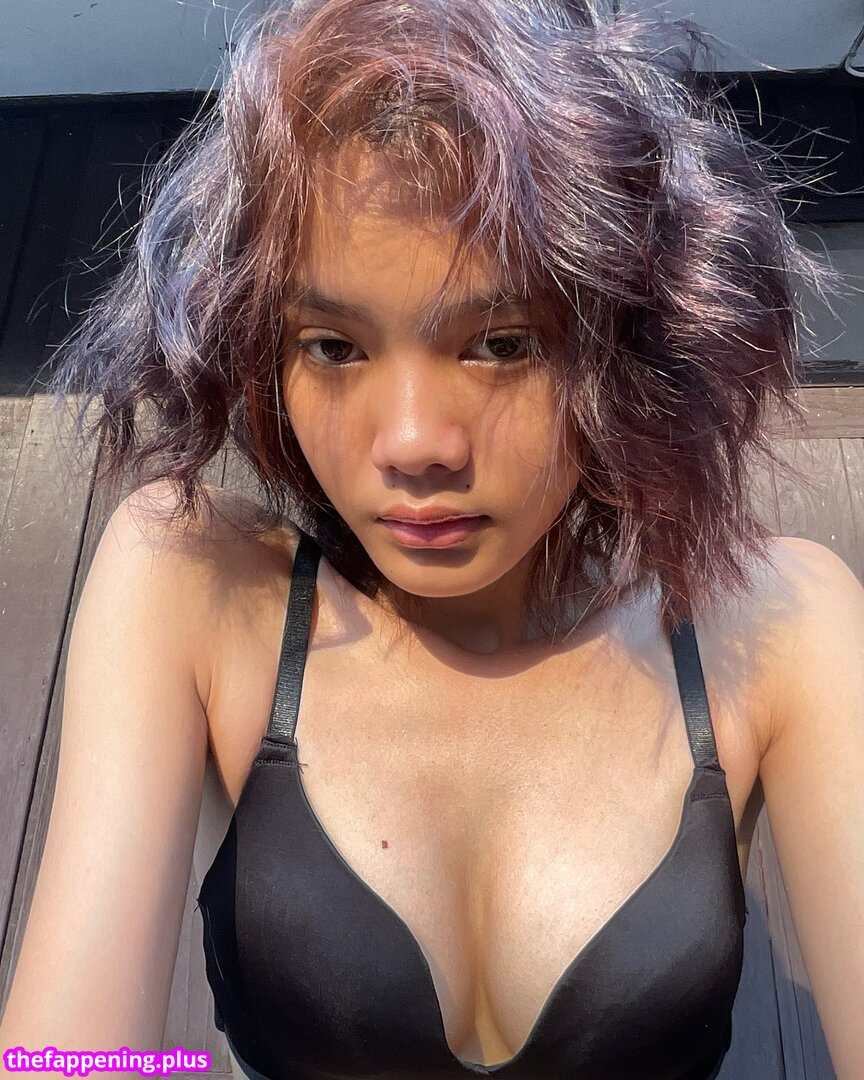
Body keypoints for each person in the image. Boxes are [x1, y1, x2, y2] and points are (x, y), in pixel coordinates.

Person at [2, 0, 862, 1077]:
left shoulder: (773, 626)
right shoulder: (196, 590)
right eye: (333, 346)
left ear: (626, 337)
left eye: (501, 344)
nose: (412, 443)